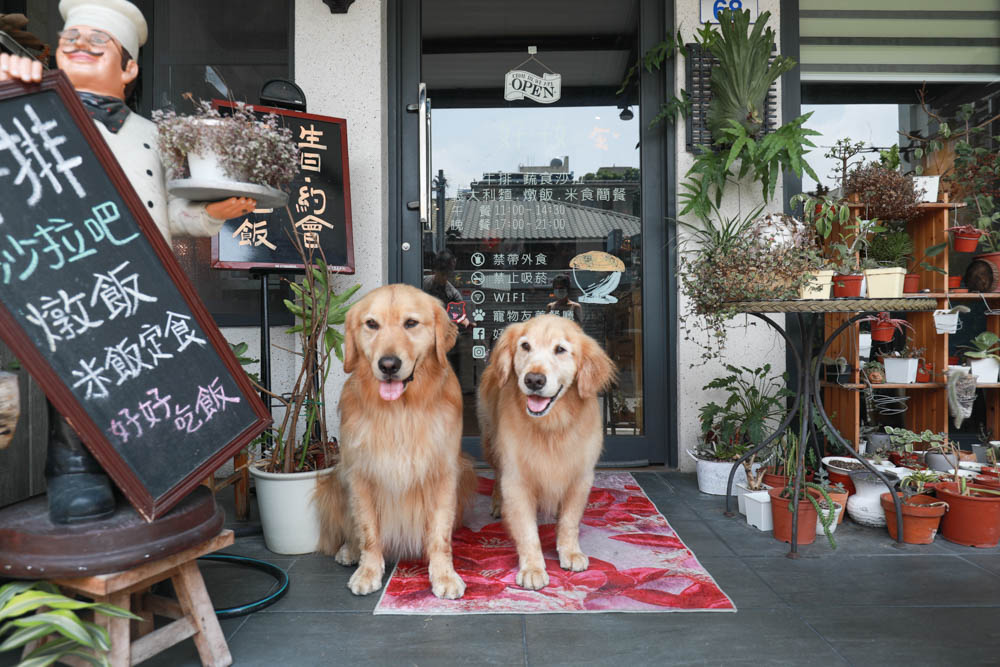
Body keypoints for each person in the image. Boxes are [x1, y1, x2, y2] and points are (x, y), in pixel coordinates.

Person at [1, 0, 256, 523]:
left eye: (98, 41)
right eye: (72, 38)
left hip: (144, 279)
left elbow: (172, 211)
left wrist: (213, 214)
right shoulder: (34, 113)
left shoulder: (154, 135)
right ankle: (74, 468)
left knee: (148, 371)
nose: (81, 45)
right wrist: (10, 87)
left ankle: (151, 465)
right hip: (69, 275)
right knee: (80, 374)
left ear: (130, 68)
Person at [422, 248, 470, 328]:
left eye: (447, 275)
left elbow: (462, 318)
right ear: (435, 271)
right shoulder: (421, 283)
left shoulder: (454, 295)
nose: (443, 278)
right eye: (442, 274)